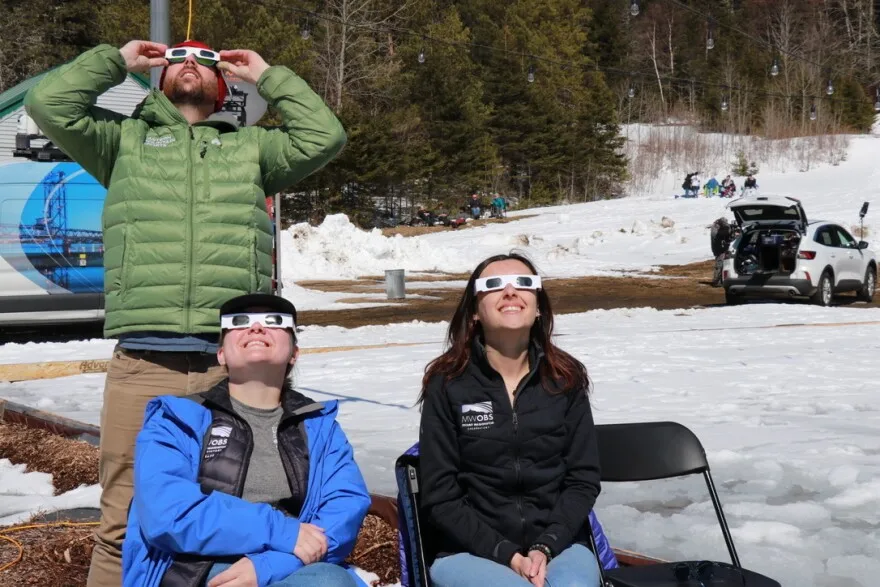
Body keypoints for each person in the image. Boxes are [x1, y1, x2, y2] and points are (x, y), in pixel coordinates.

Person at [24, 38, 348, 586]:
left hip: (236, 367)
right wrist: (119, 61)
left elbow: (325, 135)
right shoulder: (121, 142)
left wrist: (266, 75)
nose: (188, 64)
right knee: (124, 521)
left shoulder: (252, 150)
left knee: (249, 509)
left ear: (222, 82)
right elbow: (49, 105)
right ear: (158, 77)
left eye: (201, 58)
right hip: (144, 364)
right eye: (175, 58)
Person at [122, 293, 371, 587]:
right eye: (239, 322)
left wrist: (270, 565)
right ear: (221, 354)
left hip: (292, 567)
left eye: (274, 321)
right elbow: (167, 513)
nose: (256, 328)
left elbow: (343, 508)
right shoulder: (176, 420)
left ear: (294, 353)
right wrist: (282, 532)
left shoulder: (321, 428)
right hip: (195, 571)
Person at [418, 253, 602, 587]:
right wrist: (506, 554)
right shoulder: (447, 383)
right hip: (470, 551)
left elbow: (582, 480)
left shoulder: (565, 379)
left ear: (539, 306)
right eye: (492, 285)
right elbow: (440, 495)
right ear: (474, 310)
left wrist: (545, 547)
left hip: (560, 547)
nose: (510, 292)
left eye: (524, 283)